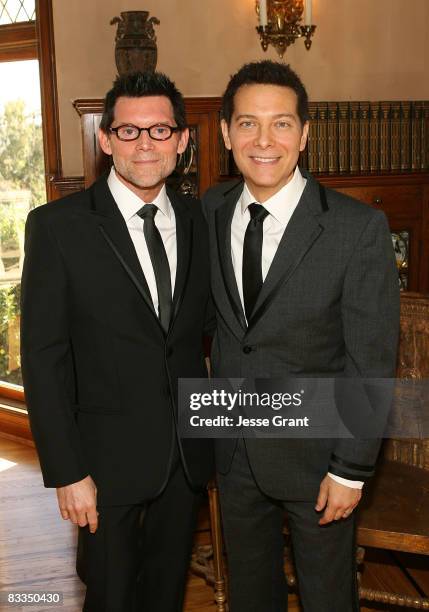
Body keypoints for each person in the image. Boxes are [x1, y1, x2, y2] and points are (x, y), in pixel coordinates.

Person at [202, 60, 399, 612]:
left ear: (305, 133)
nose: (264, 140)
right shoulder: (211, 210)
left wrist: (350, 470)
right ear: (225, 132)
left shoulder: (356, 229)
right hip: (236, 452)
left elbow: (372, 361)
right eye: (247, 123)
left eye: (281, 123)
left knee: (328, 598)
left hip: (320, 461)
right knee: (250, 596)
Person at [20, 71, 214, 612]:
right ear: (105, 141)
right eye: (129, 131)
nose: (145, 144)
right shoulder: (57, 227)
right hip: (103, 467)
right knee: (109, 598)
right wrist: (67, 471)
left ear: (181, 141)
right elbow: (43, 357)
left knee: (165, 597)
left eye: (159, 130)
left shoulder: (201, 220)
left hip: (186, 457)